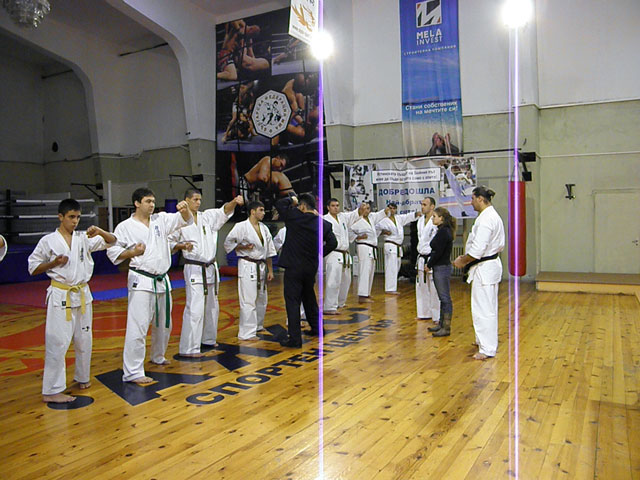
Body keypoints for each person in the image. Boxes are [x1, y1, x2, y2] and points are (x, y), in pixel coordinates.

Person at [27, 199, 116, 403]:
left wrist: (100, 231)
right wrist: (53, 263)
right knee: (58, 342)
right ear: (61, 217)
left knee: (84, 339)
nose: (75, 221)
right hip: (61, 295)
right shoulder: (48, 241)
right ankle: (51, 390)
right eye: (71, 217)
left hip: (83, 294)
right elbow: (33, 268)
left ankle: (82, 376)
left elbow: (112, 241)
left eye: (78, 217)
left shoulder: (84, 238)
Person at [107, 188, 193, 384]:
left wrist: (185, 209)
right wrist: (132, 253)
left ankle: (158, 355)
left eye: (153, 201)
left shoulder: (160, 220)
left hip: (162, 279)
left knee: (164, 324)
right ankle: (133, 372)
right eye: (148, 201)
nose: (152, 205)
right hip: (141, 280)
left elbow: (185, 220)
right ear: (137, 203)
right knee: (137, 327)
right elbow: (113, 253)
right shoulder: (125, 227)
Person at [170, 191, 244, 357]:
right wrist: (182, 246)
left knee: (212, 306)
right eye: (195, 199)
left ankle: (208, 339)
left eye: (200, 200)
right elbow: (170, 243)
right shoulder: (179, 220)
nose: (198, 202)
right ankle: (189, 348)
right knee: (195, 308)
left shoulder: (208, 216)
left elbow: (224, 210)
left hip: (211, 267)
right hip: (194, 267)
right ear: (186, 200)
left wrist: (234, 201)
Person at [275, 193, 337, 347]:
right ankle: (317, 329)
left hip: (293, 267)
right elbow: (333, 243)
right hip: (310, 267)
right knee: (309, 298)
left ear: (302, 206)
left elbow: (280, 204)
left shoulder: (294, 217)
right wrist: (319, 253)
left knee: (293, 301)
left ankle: (295, 339)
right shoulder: (323, 224)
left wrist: (292, 200)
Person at [453, 186, 505, 360]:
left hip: (484, 268)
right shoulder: (490, 215)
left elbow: (477, 251)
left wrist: (462, 261)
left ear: (481, 199)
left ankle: (487, 348)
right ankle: (483, 340)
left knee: (483, 309)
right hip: (488, 267)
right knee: (487, 307)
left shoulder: (486, 219)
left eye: (473, 199)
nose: (471, 202)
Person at [223, 200, 276, 340]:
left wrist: (270, 270)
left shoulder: (264, 228)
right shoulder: (241, 226)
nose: (263, 213)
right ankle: (246, 333)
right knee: (248, 299)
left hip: (261, 266)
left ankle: (258, 325)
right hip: (248, 265)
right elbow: (228, 244)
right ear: (252, 211)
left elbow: (269, 251)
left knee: (262, 298)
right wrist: (243, 247)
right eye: (261, 210)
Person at [323, 198, 360, 314]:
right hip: (333, 253)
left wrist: (362, 207)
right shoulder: (324, 219)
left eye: (337, 205)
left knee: (346, 280)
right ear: (328, 207)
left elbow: (354, 215)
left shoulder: (342, 217)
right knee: (333, 280)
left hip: (345, 253)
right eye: (333, 206)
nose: (336, 208)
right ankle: (329, 307)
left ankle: (340, 302)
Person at [376, 202, 420, 294]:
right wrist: (383, 232)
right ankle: (390, 289)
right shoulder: (382, 220)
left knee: (396, 267)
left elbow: (407, 217)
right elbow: (374, 229)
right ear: (387, 209)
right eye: (390, 208)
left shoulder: (398, 218)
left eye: (394, 208)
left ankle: (392, 287)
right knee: (391, 267)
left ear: (396, 210)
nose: (392, 210)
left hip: (398, 246)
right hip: (390, 245)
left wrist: (416, 214)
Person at [426, 207, 457, 337]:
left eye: (434, 216)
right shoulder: (443, 230)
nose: (432, 219)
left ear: (441, 218)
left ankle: (446, 327)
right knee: (442, 298)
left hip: (441, 267)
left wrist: (429, 264)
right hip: (441, 266)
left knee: (445, 298)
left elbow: (438, 252)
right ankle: (441, 323)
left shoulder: (443, 232)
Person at [350, 202, 387, 302]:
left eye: (368, 208)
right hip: (363, 247)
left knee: (370, 270)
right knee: (364, 270)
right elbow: (348, 231)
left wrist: (386, 210)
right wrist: (358, 237)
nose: (366, 210)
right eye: (364, 208)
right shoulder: (356, 220)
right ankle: (362, 295)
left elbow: (380, 215)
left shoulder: (371, 218)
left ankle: (367, 293)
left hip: (371, 248)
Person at [416, 197, 440, 323]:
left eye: (425, 204)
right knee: (421, 286)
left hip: (431, 256)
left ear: (432, 206)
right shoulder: (420, 221)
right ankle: (423, 313)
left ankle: (436, 315)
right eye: (421, 204)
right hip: (421, 256)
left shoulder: (435, 221)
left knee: (434, 288)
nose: (422, 207)